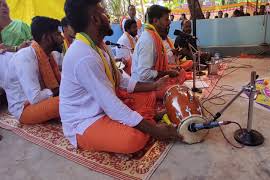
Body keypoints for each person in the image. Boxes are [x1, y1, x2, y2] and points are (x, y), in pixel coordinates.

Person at [62, 0, 181, 154]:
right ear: (95, 19)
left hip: (104, 107)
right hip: (85, 120)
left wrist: (154, 86)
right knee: (132, 139)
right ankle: (147, 119)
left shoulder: (99, 46)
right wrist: (156, 131)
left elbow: (121, 79)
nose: (109, 17)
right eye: (104, 12)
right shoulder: (84, 55)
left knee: (148, 97)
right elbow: (111, 104)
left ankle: (145, 117)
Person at [4, 16, 63, 125]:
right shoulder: (25, 57)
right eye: (57, 34)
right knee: (66, 101)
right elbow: (35, 98)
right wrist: (54, 91)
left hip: (40, 102)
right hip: (25, 108)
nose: (62, 38)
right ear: (46, 38)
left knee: (73, 93)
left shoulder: (49, 55)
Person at [131, 5, 187, 99]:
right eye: (166, 19)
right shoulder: (147, 40)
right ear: (156, 21)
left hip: (154, 81)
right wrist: (166, 73)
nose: (169, 22)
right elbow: (144, 74)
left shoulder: (154, 37)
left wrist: (168, 72)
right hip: (146, 87)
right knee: (178, 91)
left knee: (181, 73)